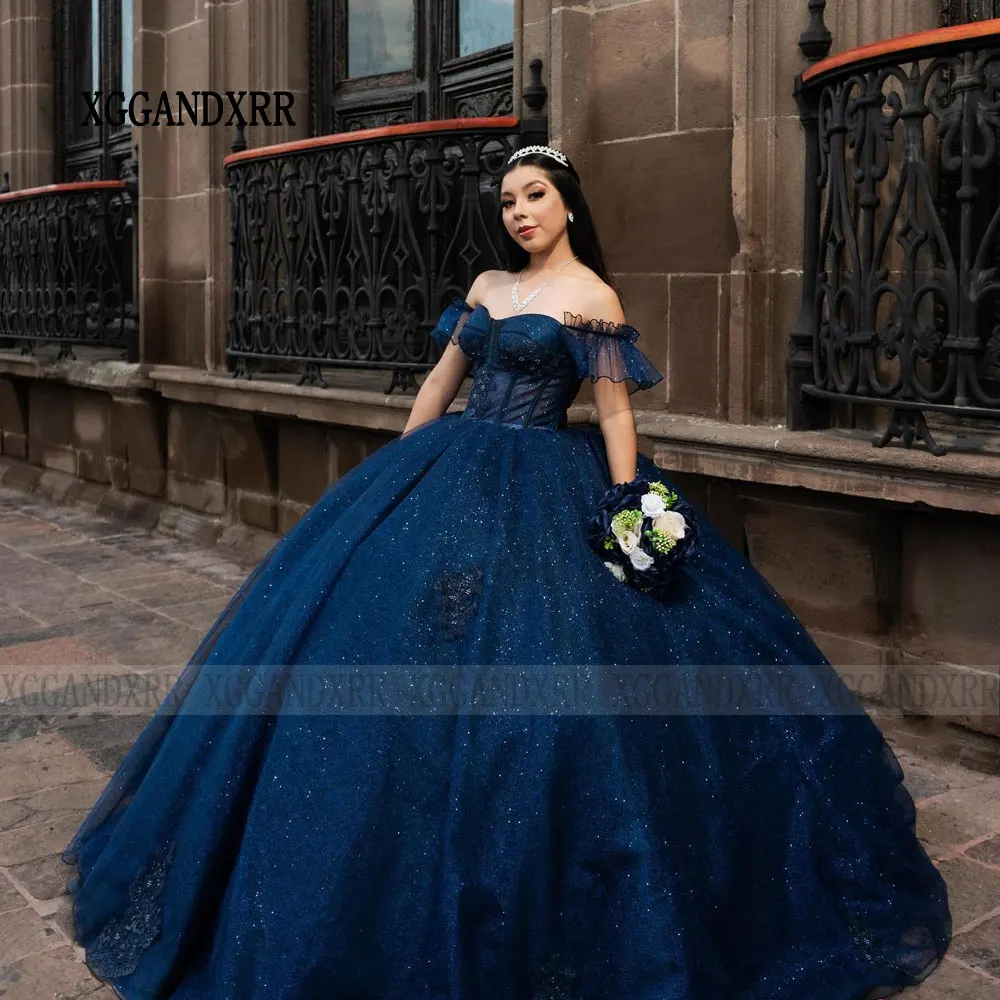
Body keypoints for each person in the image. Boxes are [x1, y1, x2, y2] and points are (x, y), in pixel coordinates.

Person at [62, 144, 951, 1000]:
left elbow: (611, 415)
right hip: (446, 471)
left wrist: (626, 504)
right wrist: (391, 482)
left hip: (542, 477)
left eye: (533, 195)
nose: (519, 213)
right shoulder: (489, 288)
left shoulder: (590, 295)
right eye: (507, 202)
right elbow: (439, 381)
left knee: (554, 655)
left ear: (567, 204)